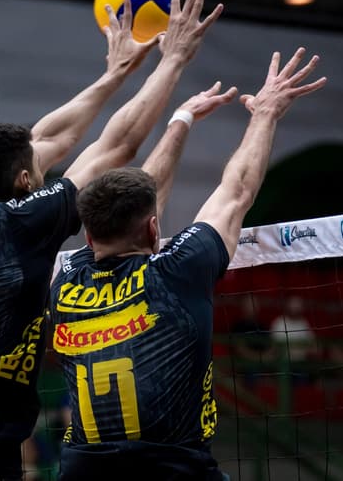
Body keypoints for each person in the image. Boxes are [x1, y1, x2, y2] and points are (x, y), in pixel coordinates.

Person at [0, 0, 223, 481]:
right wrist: (173, 61)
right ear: (21, 181)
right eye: (35, 170)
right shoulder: (18, 226)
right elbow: (117, 148)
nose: (44, 169)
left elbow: (46, 136)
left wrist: (116, 73)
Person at [49, 48, 326, 480]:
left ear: (88, 235)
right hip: (171, 467)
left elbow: (142, 195)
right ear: (155, 231)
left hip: (83, 470)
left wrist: (180, 118)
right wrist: (265, 113)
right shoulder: (175, 273)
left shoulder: (65, 283)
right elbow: (235, 191)